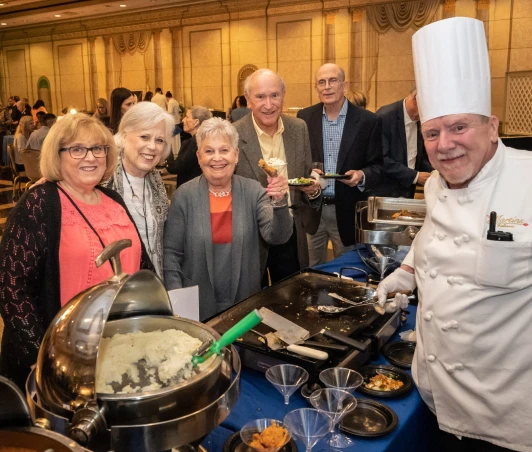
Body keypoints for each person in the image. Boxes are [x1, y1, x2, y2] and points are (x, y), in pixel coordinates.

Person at [376, 17, 532, 452]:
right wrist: (404, 273)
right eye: (432, 132)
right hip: (434, 392)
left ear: (492, 126)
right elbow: (431, 237)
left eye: (459, 126)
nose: (445, 144)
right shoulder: (435, 184)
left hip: (505, 413)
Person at [0, 113, 154, 389]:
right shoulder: (40, 203)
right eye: (77, 149)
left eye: (98, 148)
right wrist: (41, 358)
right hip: (60, 358)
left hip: (119, 350)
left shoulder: (112, 199)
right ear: (57, 155)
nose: (91, 157)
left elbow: (141, 263)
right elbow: (12, 286)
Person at [163, 117, 293, 320]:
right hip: (196, 306)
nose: (217, 158)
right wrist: (177, 301)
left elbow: (277, 236)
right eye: (209, 151)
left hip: (244, 303)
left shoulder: (253, 191)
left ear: (236, 155)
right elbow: (171, 254)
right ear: (198, 157)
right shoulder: (184, 196)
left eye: (224, 150)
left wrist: (279, 202)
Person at [233, 68, 321, 284]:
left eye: (274, 95)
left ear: (283, 94)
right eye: (260, 97)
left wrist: (314, 189)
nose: (269, 104)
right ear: (248, 100)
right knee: (253, 299)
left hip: (291, 229)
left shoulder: (299, 128)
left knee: (291, 295)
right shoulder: (233, 134)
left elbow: (308, 176)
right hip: (250, 234)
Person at [297, 64, 382, 266]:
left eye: (333, 81)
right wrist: (307, 173)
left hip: (347, 211)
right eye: (321, 82)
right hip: (313, 209)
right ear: (316, 88)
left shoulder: (367, 121)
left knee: (347, 271)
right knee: (309, 272)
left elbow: (378, 165)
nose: (327, 87)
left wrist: (361, 175)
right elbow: (299, 159)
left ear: (344, 86)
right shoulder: (304, 118)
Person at [102, 101, 173, 278]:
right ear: (124, 136)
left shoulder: (155, 181)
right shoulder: (103, 178)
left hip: (153, 287)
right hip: (114, 288)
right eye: (144, 137)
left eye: (159, 140)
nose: (152, 146)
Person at [374, 88, 433, 198]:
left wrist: (435, 173)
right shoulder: (384, 117)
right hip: (385, 193)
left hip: (407, 191)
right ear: (416, 100)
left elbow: (418, 157)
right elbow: (381, 159)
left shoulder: (420, 121)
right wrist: (415, 176)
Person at [166, 105, 212, 188]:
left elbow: (174, 168)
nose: (183, 120)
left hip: (189, 190)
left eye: (187, 117)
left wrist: (167, 147)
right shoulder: (207, 140)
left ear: (196, 122)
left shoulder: (192, 143)